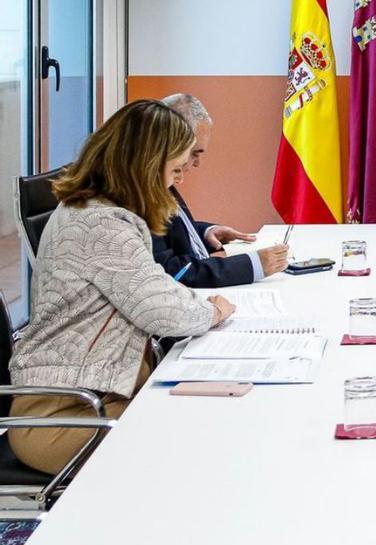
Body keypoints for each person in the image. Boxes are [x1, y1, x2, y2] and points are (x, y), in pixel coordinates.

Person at [7, 100, 236, 475]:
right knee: (199, 439)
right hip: (64, 414)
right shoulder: (100, 225)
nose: (177, 181)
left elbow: (156, 285)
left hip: (101, 395)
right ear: (145, 164)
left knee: (204, 423)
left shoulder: (107, 212)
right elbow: (164, 311)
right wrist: (215, 310)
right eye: (175, 169)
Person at [152, 93, 289, 287]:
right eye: (194, 153)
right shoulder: (137, 196)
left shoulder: (160, 179)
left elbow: (172, 233)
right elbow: (171, 272)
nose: (195, 163)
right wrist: (253, 265)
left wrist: (206, 232)